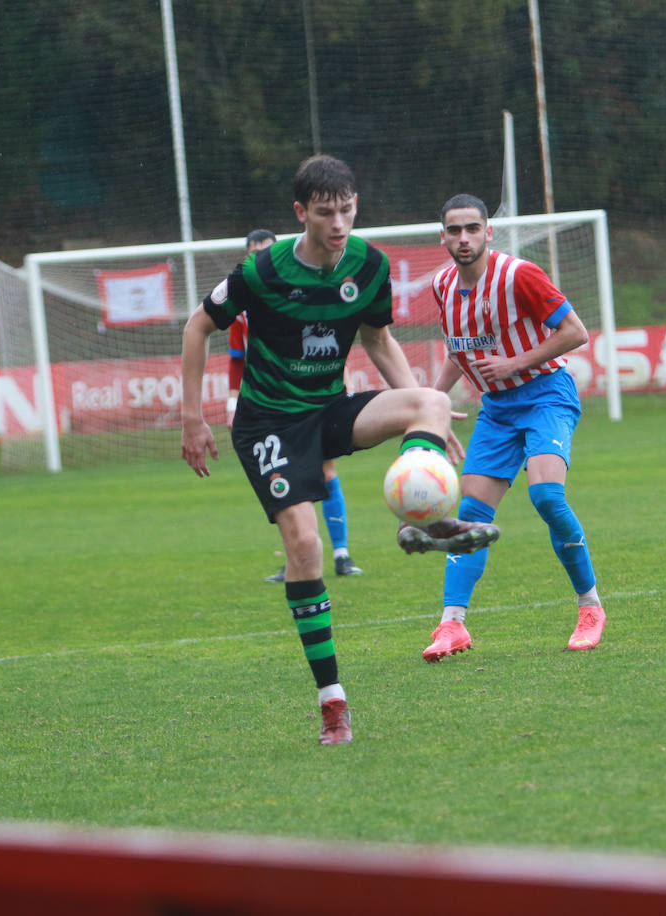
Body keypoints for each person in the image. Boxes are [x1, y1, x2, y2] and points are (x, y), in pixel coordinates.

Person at [180, 155, 500, 745]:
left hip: (327, 411)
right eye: (326, 213)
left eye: (347, 210)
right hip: (269, 424)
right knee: (305, 546)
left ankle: (423, 522)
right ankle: (332, 701)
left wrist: (424, 417)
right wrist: (192, 418)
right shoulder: (262, 271)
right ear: (300, 213)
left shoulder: (369, 265)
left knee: (430, 400)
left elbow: (378, 338)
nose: (339, 224)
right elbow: (197, 326)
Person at [419, 193, 604, 662]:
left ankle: (590, 607)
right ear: (442, 236)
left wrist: (514, 363)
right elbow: (458, 353)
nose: (464, 238)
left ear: (488, 232)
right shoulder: (443, 286)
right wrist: (433, 409)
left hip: (547, 393)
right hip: (498, 409)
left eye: (472, 229)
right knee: (469, 517)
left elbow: (576, 333)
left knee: (546, 496)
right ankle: (451, 626)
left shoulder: (519, 275)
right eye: (455, 230)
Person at [229, 230, 363, 584]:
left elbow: (333, 340)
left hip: (313, 400)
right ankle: (297, 557)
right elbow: (236, 360)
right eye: (253, 254)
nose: (260, 259)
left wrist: (342, 381)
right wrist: (233, 402)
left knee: (328, 473)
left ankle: (342, 553)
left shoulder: (304, 294)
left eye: (266, 252)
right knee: (282, 482)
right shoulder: (241, 308)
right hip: (269, 410)